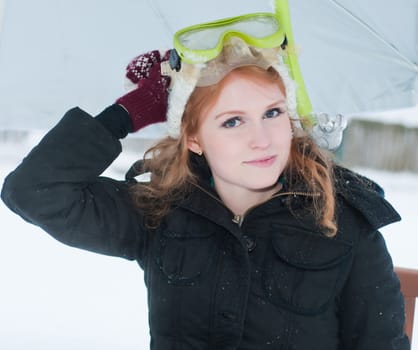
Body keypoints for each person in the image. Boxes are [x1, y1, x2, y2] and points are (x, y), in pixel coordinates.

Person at [1, 1, 410, 349]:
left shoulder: (342, 221)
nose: (262, 139)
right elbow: (35, 190)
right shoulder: (162, 212)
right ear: (194, 138)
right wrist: (126, 113)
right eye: (233, 122)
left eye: (273, 113)